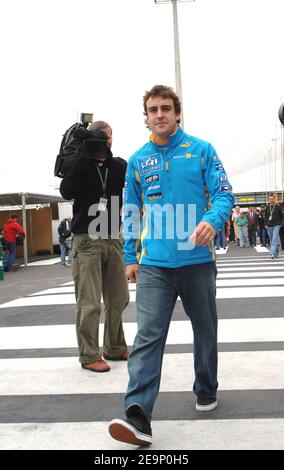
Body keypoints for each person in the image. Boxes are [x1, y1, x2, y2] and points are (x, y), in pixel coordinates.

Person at [108, 85, 234, 446]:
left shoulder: (202, 151)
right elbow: (130, 211)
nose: (159, 114)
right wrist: (130, 257)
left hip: (197, 262)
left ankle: (206, 386)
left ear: (177, 114)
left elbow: (224, 192)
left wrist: (213, 218)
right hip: (155, 267)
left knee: (205, 330)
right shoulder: (137, 161)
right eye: (153, 109)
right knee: (148, 336)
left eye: (166, 108)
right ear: (145, 116)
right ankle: (137, 413)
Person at [60, 120, 129, 373]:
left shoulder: (118, 165)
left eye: (110, 135)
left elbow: (133, 187)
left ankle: (114, 346)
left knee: (119, 297)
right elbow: (66, 191)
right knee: (89, 303)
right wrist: (80, 155)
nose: (107, 140)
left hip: (112, 235)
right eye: (101, 136)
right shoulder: (81, 164)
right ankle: (89, 354)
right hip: (86, 238)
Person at [264, 194, 283, 259]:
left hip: (276, 225)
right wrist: (265, 224)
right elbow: (266, 217)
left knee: (274, 239)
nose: (271, 200)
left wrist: (280, 224)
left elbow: (282, 216)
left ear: (274, 199)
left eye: (272, 199)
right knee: (272, 240)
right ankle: (276, 252)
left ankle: (272, 253)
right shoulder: (267, 207)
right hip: (269, 226)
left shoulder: (278, 206)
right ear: (268, 200)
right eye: (270, 199)